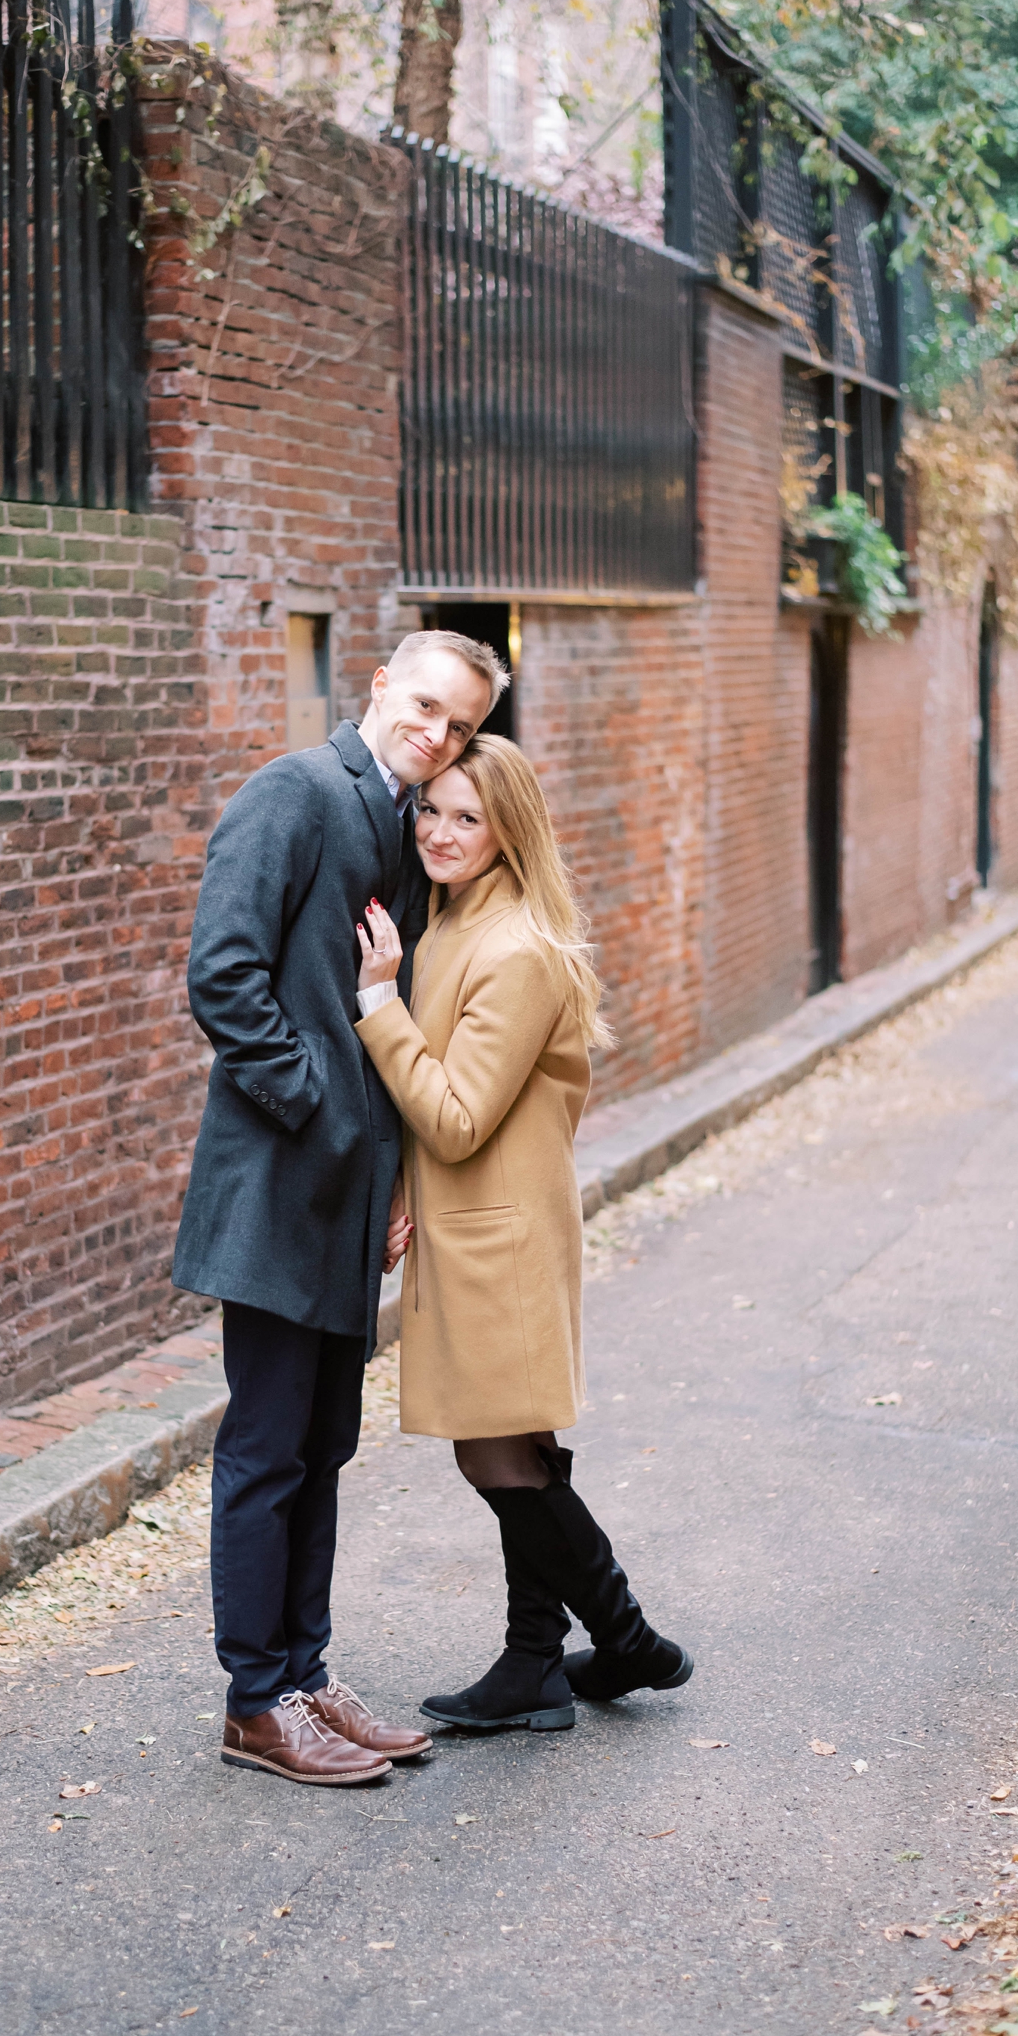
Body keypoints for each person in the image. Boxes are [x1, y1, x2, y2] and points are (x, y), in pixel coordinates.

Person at [173, 631, 506, 1785]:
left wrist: (392, 1170)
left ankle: (305, 1676)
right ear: (379, 684)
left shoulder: (402, 827)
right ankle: (255, 1703)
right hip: (277, 1184)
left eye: (461, 725)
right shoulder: (294, 792)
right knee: (267, 1449)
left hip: (352, 1197)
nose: (438, 734)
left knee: (323, 1448)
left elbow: (378, 1001)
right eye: (426, 706)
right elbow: (223, 975)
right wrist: (318, 1108)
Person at [351, 734, 693, 1731]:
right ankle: (536, 1661)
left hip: (499, 1238)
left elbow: (458, 1115)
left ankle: (628, 1638)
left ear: (510, 832)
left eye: (469, 817)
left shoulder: (516, 949)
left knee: (494, 1457)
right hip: (477, 1224)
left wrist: (375, 1000)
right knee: (524, 1450)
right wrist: (403, 1190)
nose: (440, 832)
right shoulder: (455, 921)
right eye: (430, 810)